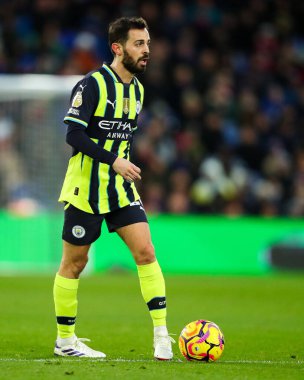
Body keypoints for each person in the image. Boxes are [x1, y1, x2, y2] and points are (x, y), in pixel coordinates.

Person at [53, 16, 174, 360]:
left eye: (148, 43)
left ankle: (162, 334)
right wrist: (114, 161)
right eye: (139, 44)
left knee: (146, 253)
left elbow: (122, 136)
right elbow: (73, 135)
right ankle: (65, 341)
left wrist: (120, 165)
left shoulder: (137, 89)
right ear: (118, 48)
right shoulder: (91, 85)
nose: (146, 50)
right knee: (74, 264)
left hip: (120, 190)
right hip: (84, 189)